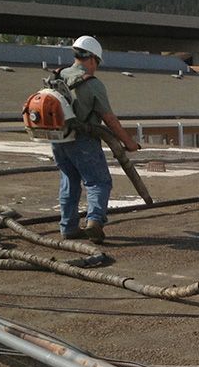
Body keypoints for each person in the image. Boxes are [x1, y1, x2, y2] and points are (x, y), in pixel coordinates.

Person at [53, 35, 140, 243]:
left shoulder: (57, 76)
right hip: (83, 141)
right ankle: (94, 222)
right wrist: (128, 143)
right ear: (92, 59)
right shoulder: (92, 84)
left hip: (58, 139)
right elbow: (109, 119)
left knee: (69, 181)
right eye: (97, 63)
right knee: (99, 182)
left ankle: (68, 228)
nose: (96, 67)